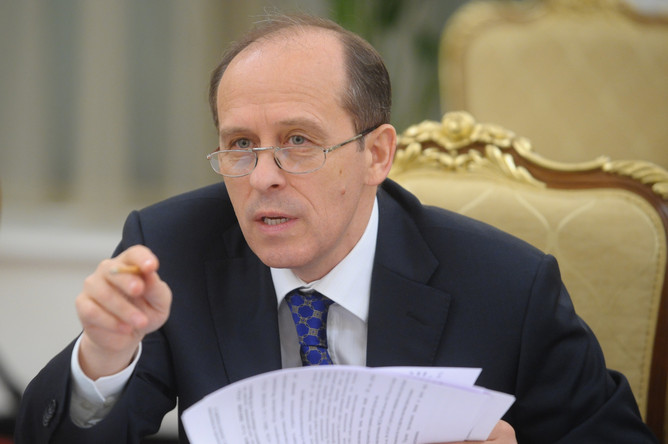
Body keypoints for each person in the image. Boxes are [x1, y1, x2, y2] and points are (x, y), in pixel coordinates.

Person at [15, 13, 657, 444]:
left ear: (376, 154)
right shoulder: (171, 249)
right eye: (240, 144)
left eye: (298, 141)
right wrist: (103, 358)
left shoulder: (507, 286)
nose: (262, 176)